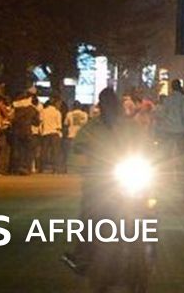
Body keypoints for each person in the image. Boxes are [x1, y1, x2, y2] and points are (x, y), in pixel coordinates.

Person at [63, 87, 145, 274]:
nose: (108, 108)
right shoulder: (92, 127)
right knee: (88, 215)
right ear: (101, 106)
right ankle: (82, 257)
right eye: (105, 104)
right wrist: (86, 149)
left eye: (111, 104)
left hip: (128, 176)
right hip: (98, 178)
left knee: (145, 208)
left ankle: (145, 252)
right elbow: (78, 145)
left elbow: (145, 144)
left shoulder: (130, 126)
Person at [11, 92, 39, 175]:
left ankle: (16, 168)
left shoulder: (16, 108)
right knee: (27, 150)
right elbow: (36, 122)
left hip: (16, 132)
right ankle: (25, 167)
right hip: (27, 131)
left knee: (17, 150)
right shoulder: (32, 109)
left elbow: (12, 119)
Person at [40, 98, 63, 173]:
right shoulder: (57, 112)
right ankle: (55, 169)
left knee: (44, 151)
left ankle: (41, 168)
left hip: (45, 133)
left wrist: (41, 131)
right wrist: (60, 134)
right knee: (55, 152)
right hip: (54, 133)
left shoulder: (43, 111)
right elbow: (59, 125)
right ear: (55, 104)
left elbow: (41, 122)